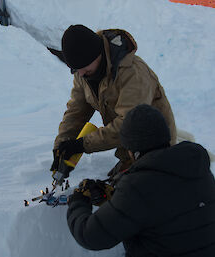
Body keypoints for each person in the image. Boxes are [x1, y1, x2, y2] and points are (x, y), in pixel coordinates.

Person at [67, 104, 215, 257]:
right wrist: (118, 196)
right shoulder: (197, 168)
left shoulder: (138, 188)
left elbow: (90, 236)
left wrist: (78, 201)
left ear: (131, 149)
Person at [51, 24, 177, 175]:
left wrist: (82, 145)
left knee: (127, 195)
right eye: (75, 69)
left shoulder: (132, 73)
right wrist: (62, 145)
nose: (81, 74)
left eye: (84, 68)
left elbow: (127, 125)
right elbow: (76, 111)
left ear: (96, 54)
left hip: (155, 152)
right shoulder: (83, 72)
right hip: (129, 151)